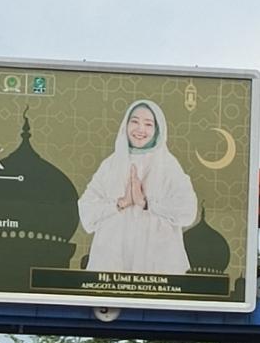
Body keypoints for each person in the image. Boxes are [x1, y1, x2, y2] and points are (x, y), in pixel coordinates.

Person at [78, 99, 197, 275]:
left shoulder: (168, 166)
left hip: (156, 261)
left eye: (148, 124)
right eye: (134, 121)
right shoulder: (110, 165)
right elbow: (87, 209)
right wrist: (121, 203)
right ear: (125, 125)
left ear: (157, 130)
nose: (140, 129)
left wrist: (146, 203)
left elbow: (187, 210)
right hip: (112, 258)